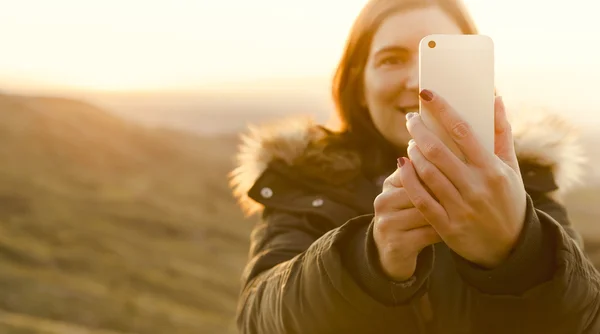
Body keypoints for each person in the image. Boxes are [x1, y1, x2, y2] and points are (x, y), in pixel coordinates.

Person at [228, 0, 600, 332]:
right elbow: (257, 320)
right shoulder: (304, 178)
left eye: (440, 61)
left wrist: (520, 251)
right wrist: (369, 258)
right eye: (392, 59)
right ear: (359, 82)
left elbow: (584, 318)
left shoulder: (524, 180)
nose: (417, 80)